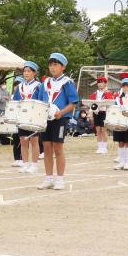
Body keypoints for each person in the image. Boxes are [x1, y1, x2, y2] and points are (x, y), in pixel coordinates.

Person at [38, 53, 79, 190]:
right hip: (46, 119)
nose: (52, 67)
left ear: (63, 67)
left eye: (55, 64)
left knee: (58, 148)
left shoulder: (67, 82)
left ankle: (60, 179)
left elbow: (73, 103)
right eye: (50, 64)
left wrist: (60, 113)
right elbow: (39, 101)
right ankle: (48, 178)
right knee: (47, 148)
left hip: (60, 119)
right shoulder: (45, 83)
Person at [12, 61, 48, 174]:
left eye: (28, 71)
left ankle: (34, 165)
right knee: (23, 140)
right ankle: (25, 164)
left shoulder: (39, 86)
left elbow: (42, 100)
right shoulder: (20, 86)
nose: (26, 73)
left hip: (33, 116)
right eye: (25, 71)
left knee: (34, 140)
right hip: (22, 115)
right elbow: (16, 100)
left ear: (34, 73)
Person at [113, 77, 128, 170]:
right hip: (119, 122)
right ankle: (122, 162)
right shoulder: (118, 98)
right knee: (120, 142)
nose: (125, 88)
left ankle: (127, 162)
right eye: (124, 86)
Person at [89, 76, 114, 154]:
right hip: (96, 112)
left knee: (104, 130)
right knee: (98, 131)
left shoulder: (108, 93)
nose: (100, 84)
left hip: (104, 112)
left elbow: (110, 104)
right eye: (99, 83)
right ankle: (100, 147)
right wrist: (91, 114)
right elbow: (91, 104)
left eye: (102, 82)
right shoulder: (95, 93)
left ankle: (104, 147)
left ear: (105, 84)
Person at [10, 76, 24, 167]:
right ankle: (16, 159)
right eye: (15, 84)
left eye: (18, 84)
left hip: (23, 120)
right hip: (15, 120)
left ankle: (22, 159)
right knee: (15, 140)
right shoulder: (12, 96)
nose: (16, 86)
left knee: (22, 140)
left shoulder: (24, 94)